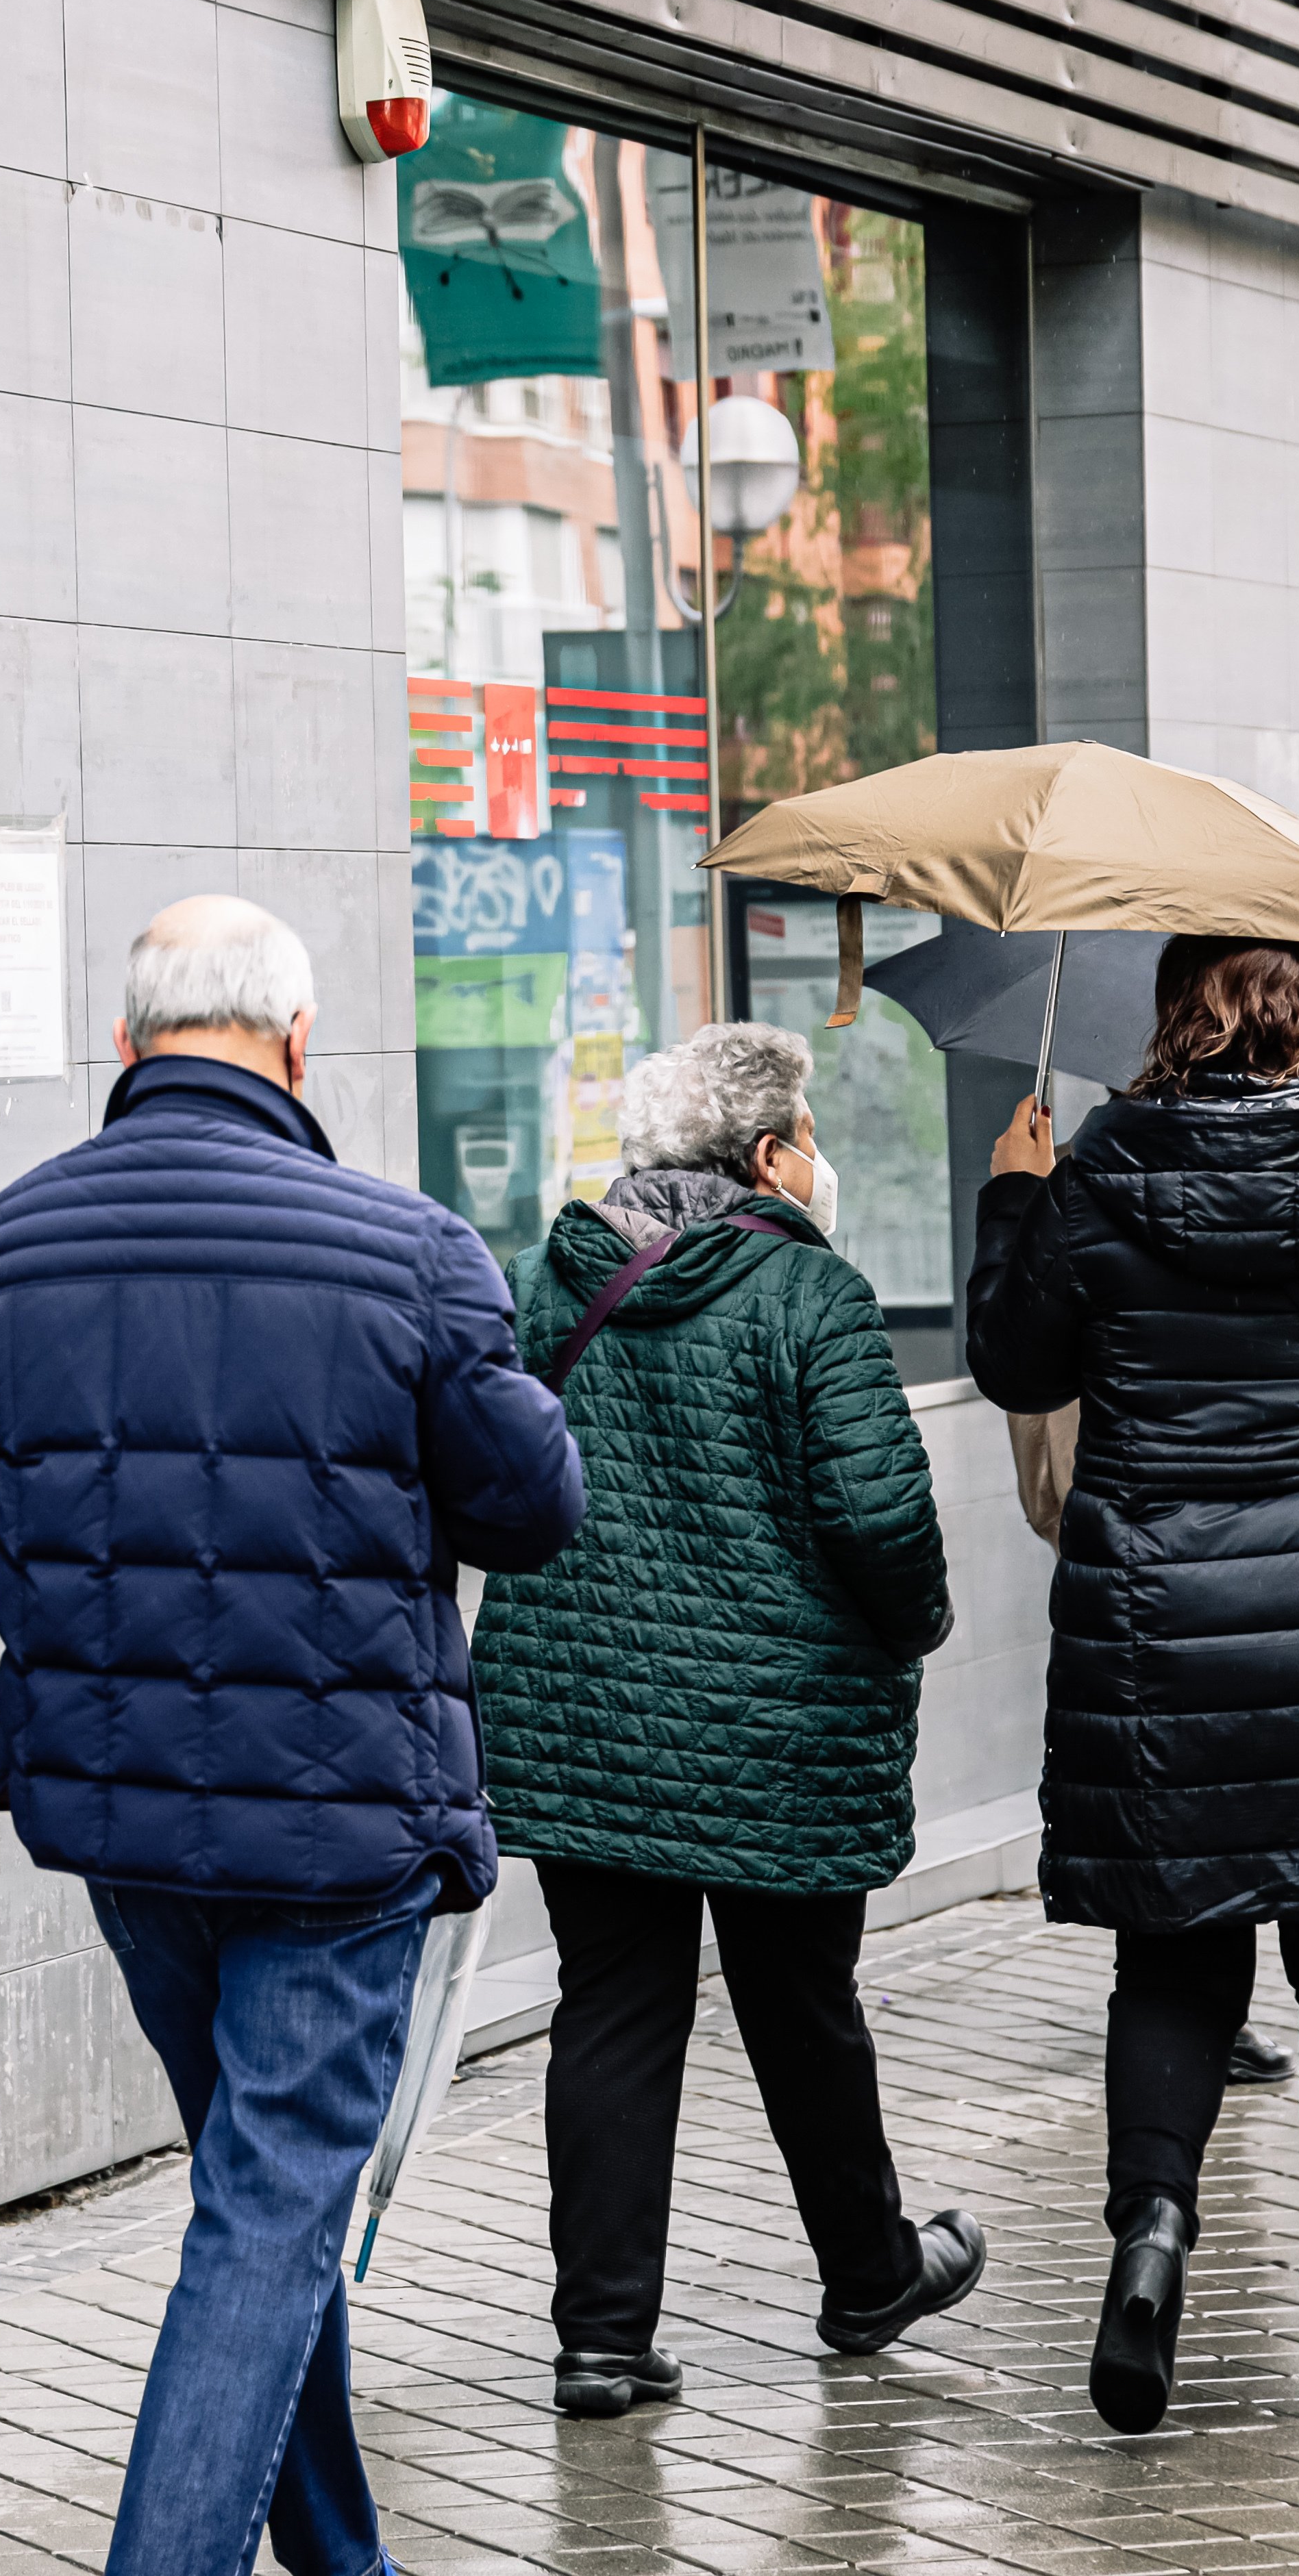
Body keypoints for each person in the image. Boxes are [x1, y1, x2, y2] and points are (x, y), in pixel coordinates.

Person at [0, 897, 582, 2576]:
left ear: (131, 1044)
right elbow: (532, 1510)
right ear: (299, 1048)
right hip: (337, 1821)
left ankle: (343, 2560)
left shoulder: (9, 1245)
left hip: (124, 1817)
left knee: (259, 2200)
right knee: (271, 2211)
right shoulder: (413, 1251)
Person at [965, 934, 1299, 2433]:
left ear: (1170, 1019)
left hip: (1165, 1627)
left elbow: (1016, 1364)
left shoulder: (1097, 1172)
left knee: (1175, 1956)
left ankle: (1150, 2241)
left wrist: (1017, 1190)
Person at [473, 1023, 982, 2420]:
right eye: (808, 1134)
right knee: (802, 2007)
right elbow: (879, 1518)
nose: (820, 1159)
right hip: (781, 1719)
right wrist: (915, 1622)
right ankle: (869, 2271)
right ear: (768, 1155)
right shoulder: (808, 1294)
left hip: (585, 1720)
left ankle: (600, 2337)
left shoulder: (543, 1284)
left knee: (614, 2011)